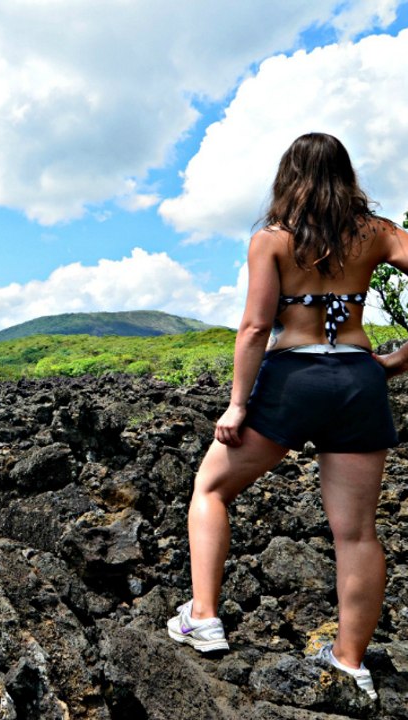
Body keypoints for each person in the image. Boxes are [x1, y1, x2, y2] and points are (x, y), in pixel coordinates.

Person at [166, 132, 408, 701]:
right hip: (358, 380)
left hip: (292, 381)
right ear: (346, 175)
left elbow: (254, 328)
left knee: (211, 489)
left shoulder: (272, 239)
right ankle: (350, 662)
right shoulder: (377, 234)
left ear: (288, 176)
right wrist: (399, 361)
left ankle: (203, 617)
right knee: (357, 533)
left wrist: (237, 404)